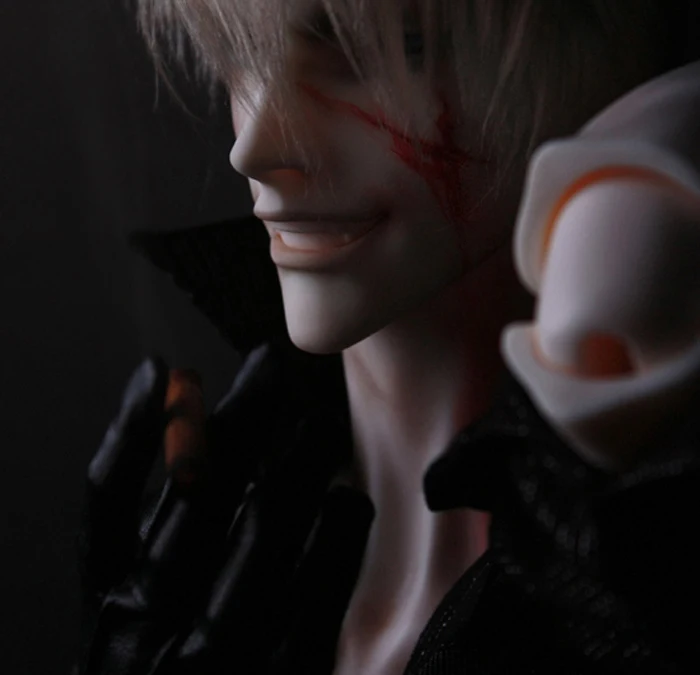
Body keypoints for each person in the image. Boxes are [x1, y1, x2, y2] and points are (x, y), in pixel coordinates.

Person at [77, 1, 700, 673]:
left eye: (396, 47)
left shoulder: (645, 584)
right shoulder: (207, 570)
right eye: (240, 51)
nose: (253, 148)